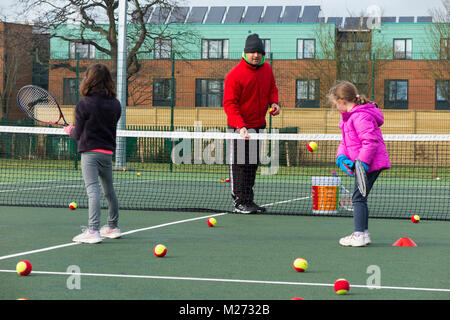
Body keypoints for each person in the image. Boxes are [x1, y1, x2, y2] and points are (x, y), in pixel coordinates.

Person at [327, 81, 390, 247]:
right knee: (361, 198)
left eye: (335, 104)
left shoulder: (360, 116)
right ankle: (364, 233)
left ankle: (359, 234)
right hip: (365, 164)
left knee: (357, 198)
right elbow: (347, 142)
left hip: (370, 164)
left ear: (341, 101)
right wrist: (341, 157)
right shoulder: (349, 119)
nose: (335, 107)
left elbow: (370, 142)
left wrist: (361, 164)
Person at [64, 63, 122, 244]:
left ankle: (93, 230)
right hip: (107, 153)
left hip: (90, 153)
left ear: (89, 80)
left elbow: (78, 133)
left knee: (93, 190)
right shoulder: (115, 104)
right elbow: (103, 124)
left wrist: (69, 131)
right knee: (108, 190)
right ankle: (112, 227)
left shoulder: (84, 104)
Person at [223, 33, 280, 214]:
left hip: (258, 127)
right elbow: (229, 104)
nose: (256, 55)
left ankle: (249, 200)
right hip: (239, 129)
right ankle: (239, 201)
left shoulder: (267, 70)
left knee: (252, 164)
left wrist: (274, 103)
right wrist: (241, 126)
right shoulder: (234, 75)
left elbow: (272, 88)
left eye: (259, 52)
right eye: (252, 52)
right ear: (245, 52)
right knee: (240, 164)